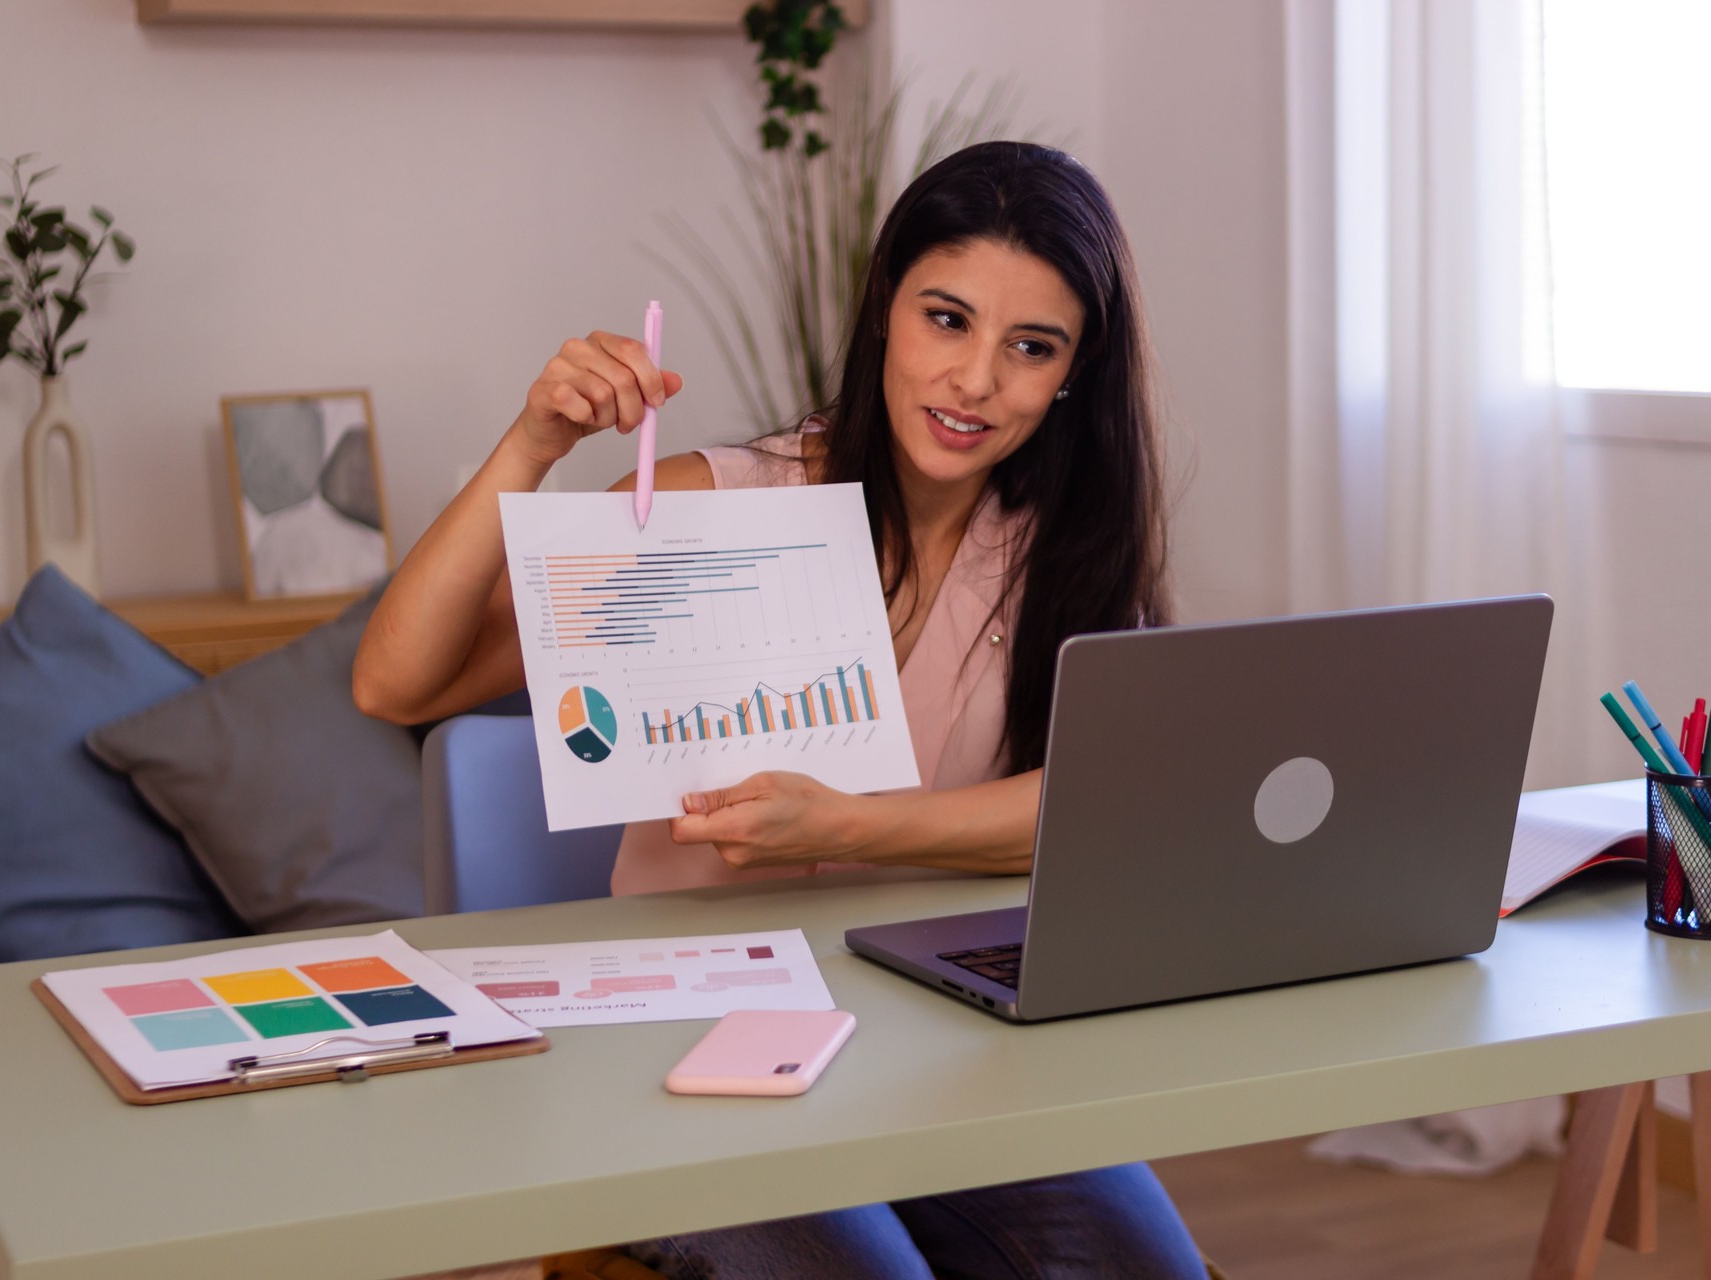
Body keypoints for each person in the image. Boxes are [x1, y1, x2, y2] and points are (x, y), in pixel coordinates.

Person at [355, 141, 1205, 1280]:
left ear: (1071, 376)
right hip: (681, 1048)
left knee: (1137, 1263)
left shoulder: (1069, 552)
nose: (975, 381)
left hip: (939, 1037)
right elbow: (397, 681)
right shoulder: (710, 505)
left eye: (1031, 347)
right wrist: (535, 444)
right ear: (884, 314)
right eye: (946, 319)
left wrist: (852, 828)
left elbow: (1112, 801)